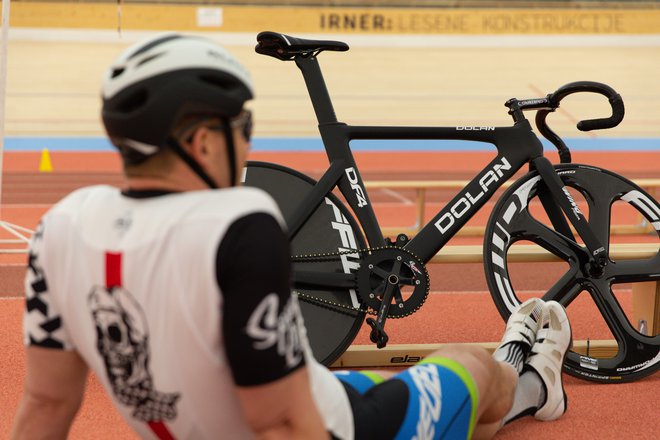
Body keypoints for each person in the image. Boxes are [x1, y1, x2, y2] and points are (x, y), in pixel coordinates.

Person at [11, 33, 572, 440]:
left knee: (351, 384)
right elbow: (282, 424)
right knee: (469, 366)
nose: (248, 146)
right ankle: (534, 384)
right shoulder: (237, 223)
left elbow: (45, 401)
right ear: (204, 141)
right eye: (243, 130)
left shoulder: (62, 224)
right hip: (329, 426)